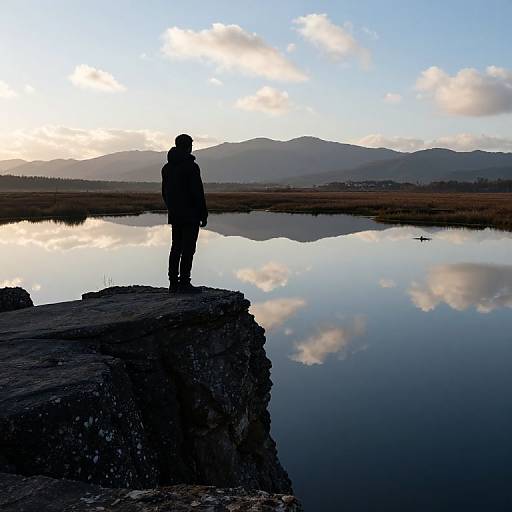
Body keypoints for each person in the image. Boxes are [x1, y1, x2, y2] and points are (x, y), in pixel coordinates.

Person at [161, 134, 208, 294]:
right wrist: (203, 214)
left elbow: (164, 193)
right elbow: (197, 192)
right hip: (191, 215)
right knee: (188, 249)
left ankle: (173, 284)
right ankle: (185, 283)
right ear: (189, 146)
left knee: (176, 247)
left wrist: (172, 208)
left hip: (175, 214)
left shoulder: (167, 168)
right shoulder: (191, 167)